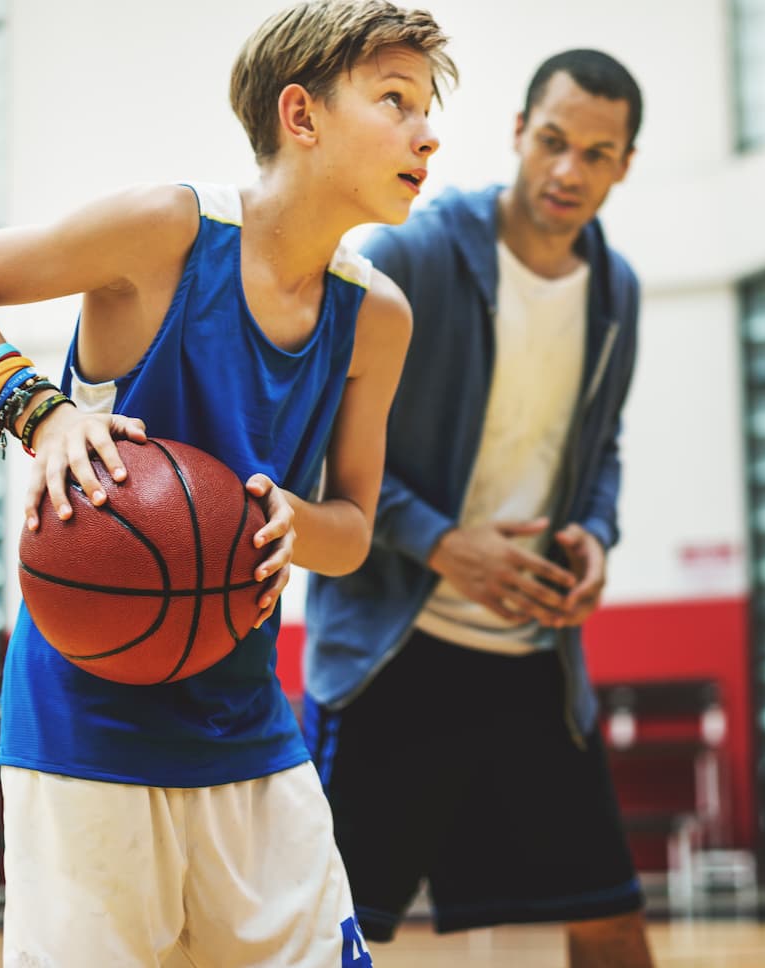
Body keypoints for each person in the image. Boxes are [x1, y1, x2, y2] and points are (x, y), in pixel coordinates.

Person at [0, 2, 454, 965]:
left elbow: (353, 528)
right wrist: (45, 413)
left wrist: (288, 520)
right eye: (395, 100)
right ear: (301, 116)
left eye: (429, 108)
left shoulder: (378, 318)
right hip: (86, 720)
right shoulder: (167, 232)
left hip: (246, 720)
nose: (426, 131)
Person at [305, 49, 654, 967]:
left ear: (624, 164)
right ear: (518, 135)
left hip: (532, 663)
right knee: (328, 933)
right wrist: (442, 544)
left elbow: (602, 447)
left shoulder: (618, 292)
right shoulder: (409, 255)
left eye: (597, 153)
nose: (569, 171)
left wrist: (598, 536)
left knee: (612, 925)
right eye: (554, 142)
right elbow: (315, 451)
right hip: (393, 654)